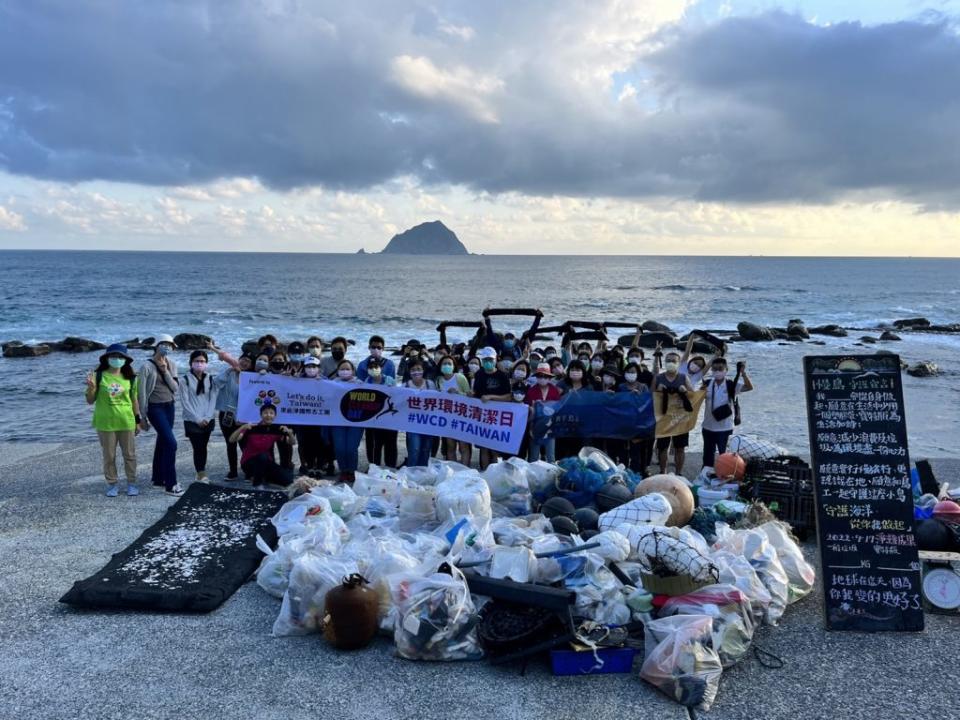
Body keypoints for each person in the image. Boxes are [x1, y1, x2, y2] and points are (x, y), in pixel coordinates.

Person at [85, 343, 141, 497]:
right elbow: (90, 400)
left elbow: (134, 400)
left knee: (129, 455)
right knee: (109, 456)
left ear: (126, 359)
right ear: (107, 358)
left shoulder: (131, 378)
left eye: (120, 357)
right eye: (113, 356)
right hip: (105, 423)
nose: (117, 359)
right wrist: (91, 388)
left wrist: (138, 420)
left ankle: (131, 483)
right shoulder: (98, 375)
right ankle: (112, 484)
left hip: (126, 421)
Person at [138, 334, 182, 495]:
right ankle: (171, 484)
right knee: (171, 443)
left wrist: (165, 372)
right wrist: (142, 417)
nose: (167, 347)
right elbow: (141, 393)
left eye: (170, 345)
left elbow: (175, 387)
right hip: (154, 408)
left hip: (169, 406)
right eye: (164, 344)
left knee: (163, 441)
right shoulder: (146, 367)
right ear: (156, 345)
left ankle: (157, 478)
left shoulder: (172, 364)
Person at [701, 357, 753, 468]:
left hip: (724, 428)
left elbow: (749, 387)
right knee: (707, 458)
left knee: (725, 458)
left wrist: (742, 373)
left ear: (726, 369)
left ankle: (724, 478)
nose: (717, 371)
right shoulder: (707, 383)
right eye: (714, 369)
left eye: (720, 368)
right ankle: (705, 478)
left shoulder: (731, 385)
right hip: (708, 427)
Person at [178, 350, 219, 483]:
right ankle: (200, 472)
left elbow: (213, 399)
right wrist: (197, 419)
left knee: (204, 446)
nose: (199, 363)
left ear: (206, 363)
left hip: (208, 418)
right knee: (198, 446)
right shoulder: (184, 380)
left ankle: (201, 470)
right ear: (191, 363)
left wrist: (207, 417)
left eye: (202, 361)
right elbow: (185, 402)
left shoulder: (211, 378)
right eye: (197, 361)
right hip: (192, 420)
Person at [230, 404, 295, 488]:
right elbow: (232, 440)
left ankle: (265, 479)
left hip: (266, 462)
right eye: (265, 413)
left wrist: (290, 433)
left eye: (271, 413)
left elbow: (292, 442)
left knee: (288, 480)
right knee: (262, 456)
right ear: (261, 415)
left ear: (275, 416)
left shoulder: (276, 429)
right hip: (249, 463)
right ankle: (257, 484)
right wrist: (242, 427)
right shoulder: (252, 428)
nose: (268, 415)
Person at [654, 350, 696, 476]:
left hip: (680, 418)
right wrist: (658, 389)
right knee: (662, 447)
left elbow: (693, 395)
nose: (670, 363)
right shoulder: (659, 378)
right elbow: (649, 395)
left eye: (673, 361)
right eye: (668, 360)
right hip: (664, 418)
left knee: (680, 447)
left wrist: (686, 391)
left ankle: (678, 473)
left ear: (678, 363)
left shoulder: (683, 378)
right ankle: (663, 472)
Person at [211, 347, 251, 480]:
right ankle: (233, 471)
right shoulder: (229, 373)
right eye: (243, 359)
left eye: (248, 361)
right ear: (238, 360)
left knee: (245, 444)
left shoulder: (252, 378)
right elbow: (215, 383)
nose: (245, 362)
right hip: (226, 414)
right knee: (230, 443)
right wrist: (229, 370)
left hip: (244, 416)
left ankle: (247, 470)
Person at [471, 346, 512, 469]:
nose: (488, 362)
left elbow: (509, 397)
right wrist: (471, 394)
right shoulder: (479, 374)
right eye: (485, 360)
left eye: (490, 359)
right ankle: (484, 472)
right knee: (483, 447)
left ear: (495, 360)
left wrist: (491, 397)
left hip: (497, 416)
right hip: (482, 415)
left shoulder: (502, 376)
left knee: (494, 448)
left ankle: (495, 472)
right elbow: (476, 393)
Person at [330, 359, 364, 482]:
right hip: (337, 421)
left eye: (347, 369)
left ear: (353, 371)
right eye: (342, 369)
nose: (345, 371)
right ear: (338, 371)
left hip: (355, 421)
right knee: (339, 447)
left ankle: (352, 470)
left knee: (351, 448)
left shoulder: (360, 384)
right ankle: (343, 470)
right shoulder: (332, 383)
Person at [619, 360, 655, 476]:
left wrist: (639, 397)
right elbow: (616, 402)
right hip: (624, 423)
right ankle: (624, 472)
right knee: (624, 451)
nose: (631, 374)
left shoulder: (643, 386)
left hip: (639, 424)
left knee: (638, 451)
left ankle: (639, 473)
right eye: (628, 372)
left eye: (633, 372)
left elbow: (647, 404)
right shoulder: (621, 387)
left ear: (637, 373)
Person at [435, 354, 472, 465]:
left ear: (453, 366)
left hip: (462, 416)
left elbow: (469, 396)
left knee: (463, 446)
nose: (447, 366)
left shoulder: (460, 377)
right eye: (444, 363)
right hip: (447, 418)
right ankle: (454, 469)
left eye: (449, 364)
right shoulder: (438, 380)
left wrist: (458, 393)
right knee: (450, 446)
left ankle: (465, 469)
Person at [364, 356, 399, 469]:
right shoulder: (366, 382)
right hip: (373, 419)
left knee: (391, 444)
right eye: (371, 367)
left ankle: (391, 467)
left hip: (390, 419)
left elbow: (398, 397)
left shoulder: (390, 380)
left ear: (381, 367)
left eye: (376, 366)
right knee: (375, 444)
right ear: (367, 369)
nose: (373, 369)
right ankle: (374, 468)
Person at [555, 359, 590, 460]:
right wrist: (566, 395)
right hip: (564, 425)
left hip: (581, 427)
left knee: (579, 455)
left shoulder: (588, 386)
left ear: (583, 371)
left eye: (578, 369)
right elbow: (554, 399)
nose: (575, 372)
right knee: (562, 454)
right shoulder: (562, 384)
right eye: (572, 369)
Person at [525, 363, 561, 462]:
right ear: (536, 377)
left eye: (545, 376)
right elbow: (528, 411)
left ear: (549, 378)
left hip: (550, 428)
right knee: (533, 457)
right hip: (535, 427)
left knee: (551, 457)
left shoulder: (554, 390)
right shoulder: (531, 391)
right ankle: (533, 477)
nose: (543, 378)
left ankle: (552, 477)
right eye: (540, 376)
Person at [403, 360, 434, 467]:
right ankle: (411, 473)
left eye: (419, 369)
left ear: (423, 370)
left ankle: (423, 472)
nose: (416, 372)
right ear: (409, 371)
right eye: (413, 370)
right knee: (414, 449)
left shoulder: (430, 384)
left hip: (428, 422)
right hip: (412, 423)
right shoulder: (404, 386)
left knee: (426, 449)